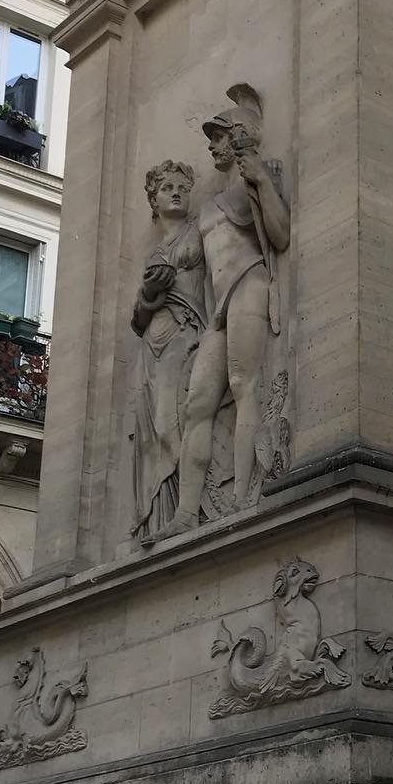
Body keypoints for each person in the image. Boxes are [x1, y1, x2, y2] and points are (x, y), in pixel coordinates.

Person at [163, 85, 289, 535]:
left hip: (250, 285)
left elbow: (279, 234)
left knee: (245, 383)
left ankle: (241, 498)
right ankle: (185, 513)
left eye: (218, 136)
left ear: (237, 136)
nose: (211, 145)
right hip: (219, 309)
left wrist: (260, 181)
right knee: (197, 404)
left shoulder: (258, 175)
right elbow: (184, 259)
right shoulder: (210, 205)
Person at [128, 161, 205, 537]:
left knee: (169, 422)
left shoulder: (200, 230)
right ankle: (161, 514)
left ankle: (186, 510)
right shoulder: (154, 252)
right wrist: (150, 293)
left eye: (182, 187)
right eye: (167, 188)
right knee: (153, 431)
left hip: (186, 333)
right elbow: (137, 319)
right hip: (151, 347)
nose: (176, 192)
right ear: (154, 200)